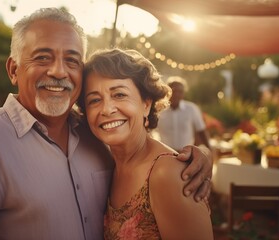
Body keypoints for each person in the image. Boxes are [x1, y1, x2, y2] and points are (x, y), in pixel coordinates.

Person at [0, 8, 212, 239]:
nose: (58, 71)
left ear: (146, 103)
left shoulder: (94, 138)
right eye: (42, 57)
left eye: (71, 60)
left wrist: (196, 157)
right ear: (14, 69)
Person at [79, 48, 213, 239]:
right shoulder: (108, 165)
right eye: (94, 100)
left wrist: (206, 151)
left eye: (119, 95)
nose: (107, 109)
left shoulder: (167, 174)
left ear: (146, 104)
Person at [157, 76, 211, 151]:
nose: (177, 94)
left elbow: (201, 131)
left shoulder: (191, 109)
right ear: (167, 92)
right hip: (165, 155)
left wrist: (209, 150)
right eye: (174, 91)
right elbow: (150, 132)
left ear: (183, 93)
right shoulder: (159, 110)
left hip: (187, 155)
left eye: (180, 91)